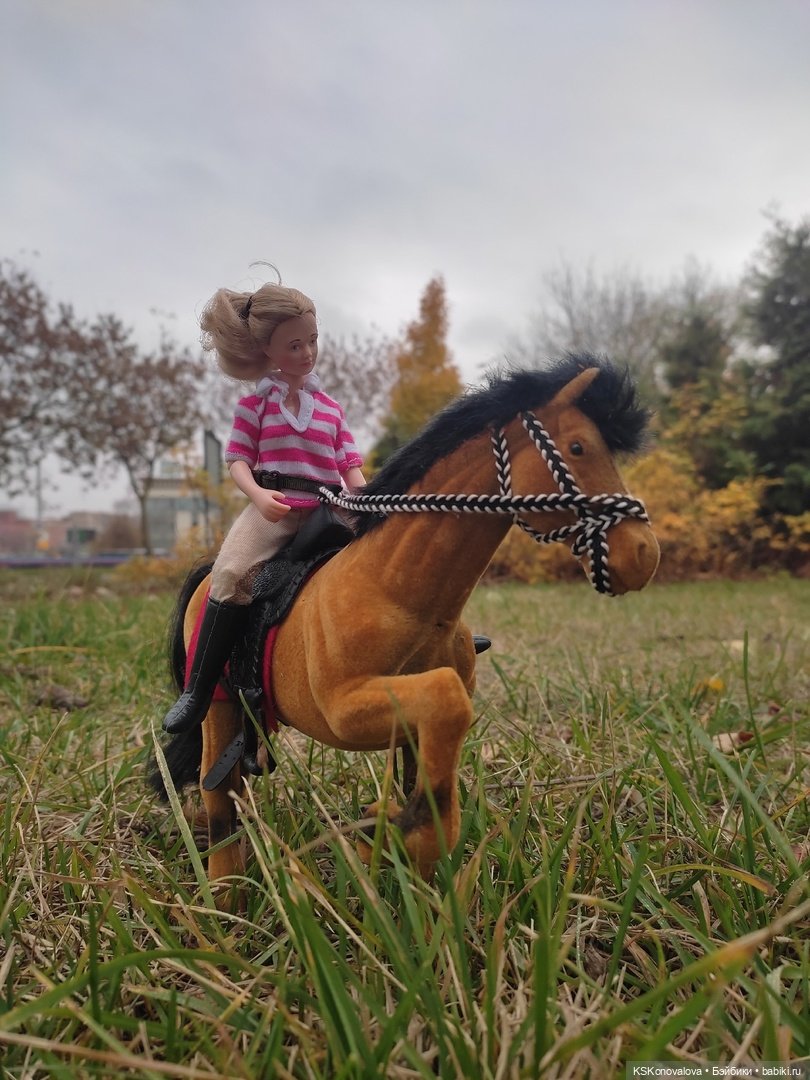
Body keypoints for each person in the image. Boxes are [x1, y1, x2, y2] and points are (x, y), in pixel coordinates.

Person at [163, 280, 365, 734]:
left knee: (390, 544)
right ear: (268, 351)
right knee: (230, 574)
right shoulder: (255, 403)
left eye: (312, 340)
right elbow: (238, 461)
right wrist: (257, 495)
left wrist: (363, 498)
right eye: (295, 345)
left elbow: (348, 462)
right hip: (273, 507)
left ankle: (439, 635)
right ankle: (200, 689)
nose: (308, 353)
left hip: (328, 507)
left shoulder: (331, 408)